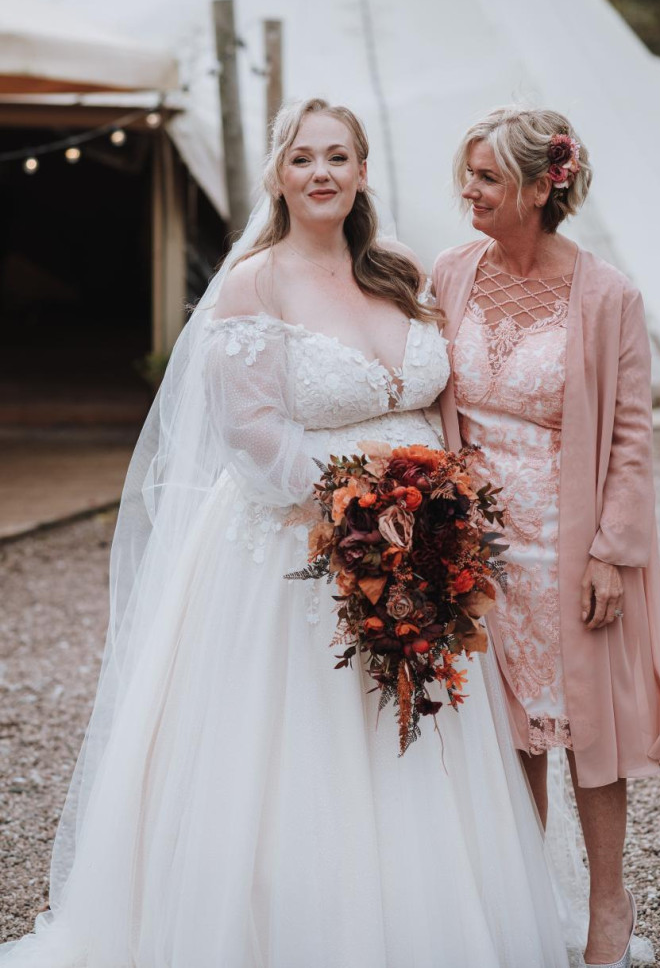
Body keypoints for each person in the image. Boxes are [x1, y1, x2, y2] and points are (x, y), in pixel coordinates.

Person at [0, 98, 570, 968]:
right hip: (295, 553)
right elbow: (254, 438)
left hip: (422, 542)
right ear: (278, 173)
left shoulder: (398, 269)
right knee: (303, 759)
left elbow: (436, 396)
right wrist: (364, 504)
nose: (321, 174)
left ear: (364, 170)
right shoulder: (253, 283)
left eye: (339, 157)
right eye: (303, 158)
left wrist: (434, 510)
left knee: (414, 745)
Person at [433, 106, 660, 968]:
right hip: (473, 542)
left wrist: (612, 553)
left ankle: (608, 909)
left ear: (543, 187)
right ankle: (521, 908)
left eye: (486, 178)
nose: (467, 191)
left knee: (588, 730)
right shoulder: (450, 272)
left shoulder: (609, 293)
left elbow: (630, 435)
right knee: (504, 737)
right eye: (468, 173)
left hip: (565, 538)